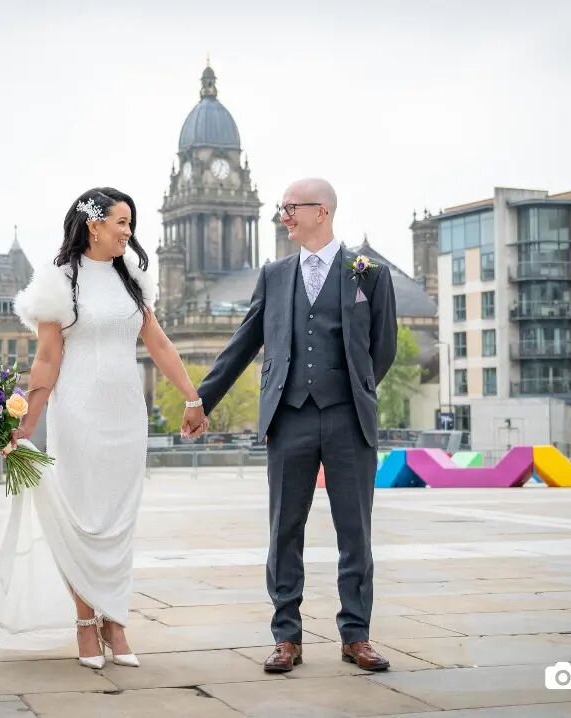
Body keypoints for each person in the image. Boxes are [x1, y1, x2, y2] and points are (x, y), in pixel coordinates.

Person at [0, 187, 206, 670]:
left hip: (126, 415)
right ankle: (87, 621)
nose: (129, 231)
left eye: (131, 223)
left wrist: (192, 396)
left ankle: (116, 620)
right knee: (82, 519)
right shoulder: (58, 280)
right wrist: (27, 424)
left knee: (119, 520)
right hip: (78, 414)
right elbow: (46, 359)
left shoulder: (133, 279)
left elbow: (161, 344)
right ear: (94, 224)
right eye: (122, 222)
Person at [187, 178, 397, 673]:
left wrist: (355, 391)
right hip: (289, 418)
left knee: (356, 533)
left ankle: (356, 636)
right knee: (284, 530)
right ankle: (287, 637)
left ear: (321, 211)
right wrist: (203, 400)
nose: (283, 215)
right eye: (281, 207)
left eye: (291, 207)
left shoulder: (369, 273)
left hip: (349, 422)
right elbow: (242, 344)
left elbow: (382, 348)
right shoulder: (275, 275)